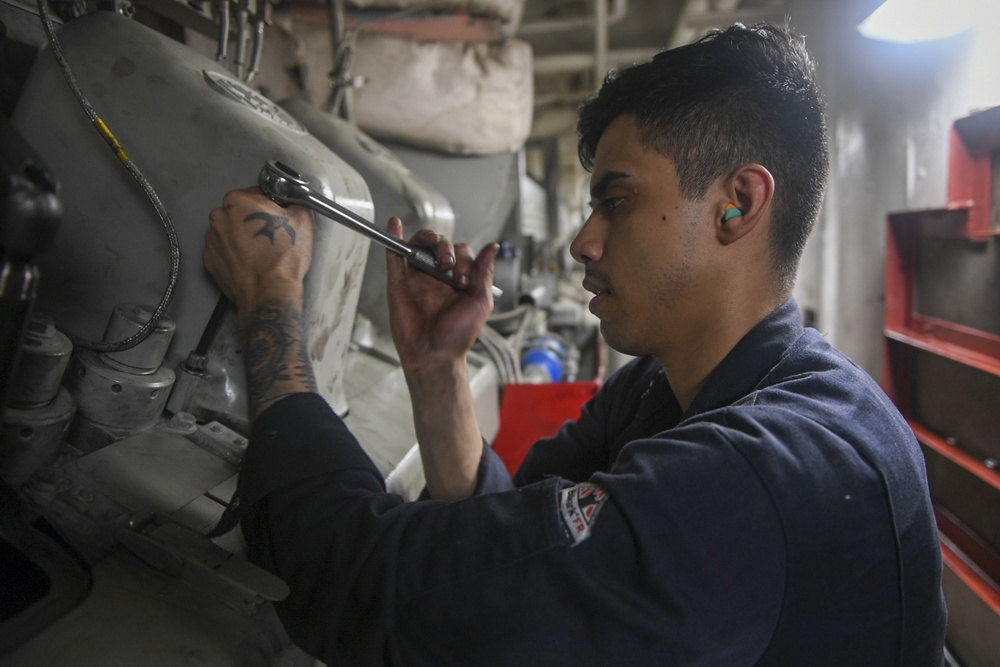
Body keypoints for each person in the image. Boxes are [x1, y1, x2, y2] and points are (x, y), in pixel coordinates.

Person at [204, 23, 947, 666]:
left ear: (737, 205)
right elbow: (514, 539)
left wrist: (272, 303)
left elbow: (382, 590)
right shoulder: (668, 386)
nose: (581, 241)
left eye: (615, 201)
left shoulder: (760, 474)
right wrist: (438, 373)